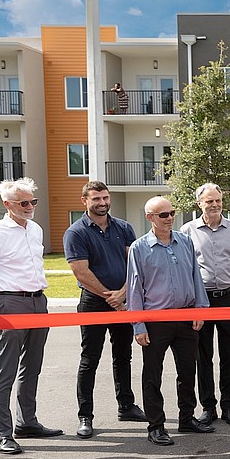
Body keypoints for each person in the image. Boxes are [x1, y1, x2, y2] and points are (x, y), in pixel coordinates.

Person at [0, 177, 61, 454]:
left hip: (37, 302)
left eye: (33, 201)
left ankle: (27, 423)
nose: (30, 206)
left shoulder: (35, 229)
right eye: (23, 202)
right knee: (5, 372)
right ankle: (2, 433)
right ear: (7, 204)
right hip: (10, 303)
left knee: (32, 366)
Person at [127, 197, 212, 446]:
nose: (170, 218)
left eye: (172, 213)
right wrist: (138, 325)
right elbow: (134, 288)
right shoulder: (139, 248)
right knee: (152, 374)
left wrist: (200, 310)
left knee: (188, 370)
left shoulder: (184, 241)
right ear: (150, 218)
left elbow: (196, 276)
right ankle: (156, 425)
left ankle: (187, 417)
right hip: (155, 321)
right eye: (163, 214)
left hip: (186, 317)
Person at [64, 180, 145, 439]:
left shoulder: (123, 227)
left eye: (105, 198)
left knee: (123, 357)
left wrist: (123, 292)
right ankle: (85, 415)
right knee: (90, 360)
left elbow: (133, 262)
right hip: (93, 303)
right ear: (84, 201)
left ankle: (127, 406)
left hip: (123, 300)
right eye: (96, 199)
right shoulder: (76, 232)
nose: (102, 203)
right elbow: (81, 271)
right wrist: (111, 298)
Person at [180, 183, 230, 427]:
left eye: (217, 200)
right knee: (202, 356)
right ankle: (208, 406)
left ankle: (229, 405)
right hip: (201, 299)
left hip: (229, 297)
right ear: (200, 204)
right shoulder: (187, 231)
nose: (214, 205)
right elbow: (185, 268)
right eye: (209, 201)